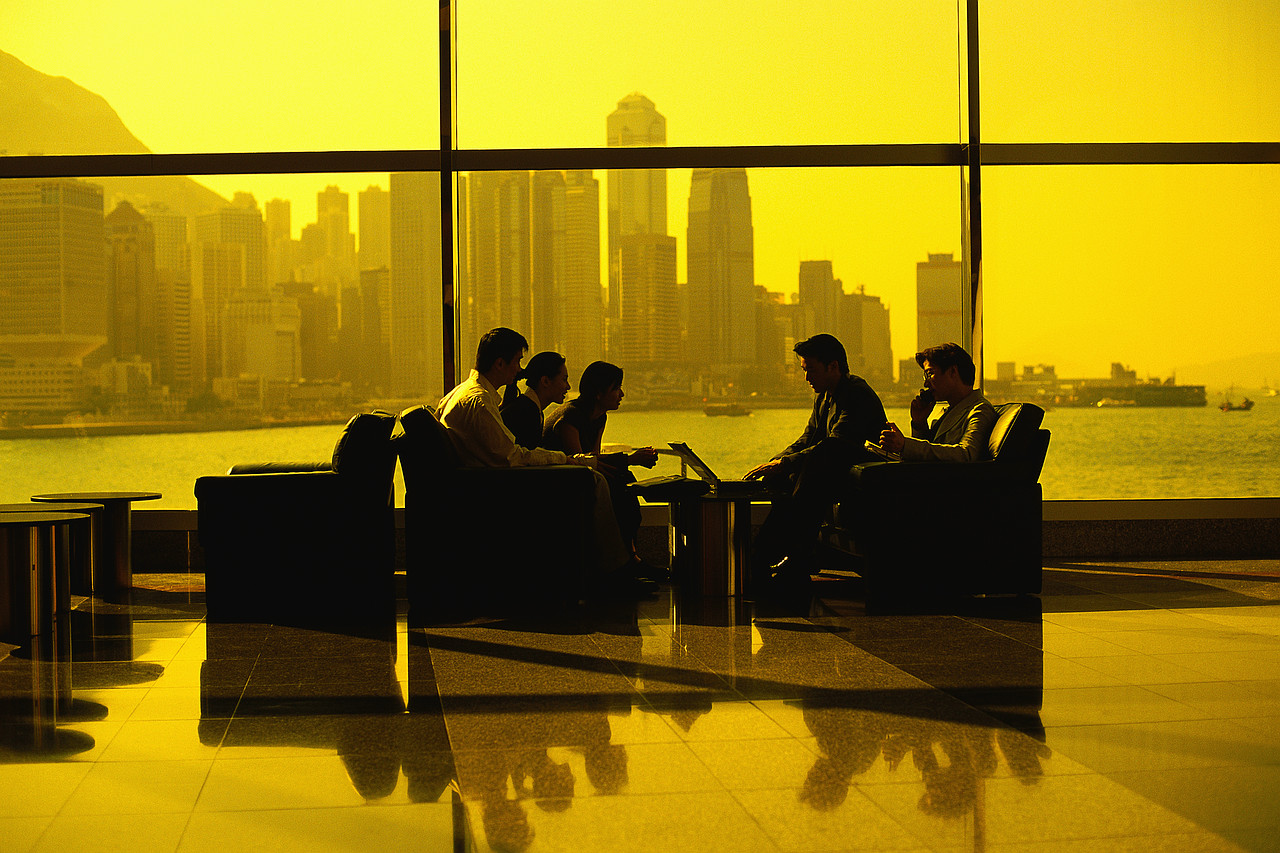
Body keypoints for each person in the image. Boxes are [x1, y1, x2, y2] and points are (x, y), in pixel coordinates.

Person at [437, 328, 651, 596]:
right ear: (500, 363)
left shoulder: (459, 395)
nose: (519, 370)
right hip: (494, 490)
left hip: (482, 484)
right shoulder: (479, 403)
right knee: (593, 480)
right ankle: (612, 571)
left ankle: (616, 565)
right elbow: (515, 456)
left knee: (597, 477)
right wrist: (569, 460)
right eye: (516, 362)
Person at [744, 333, 887, 588]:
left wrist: (787, 464)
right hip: (832, 470)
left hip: (861, 476)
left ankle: (783, 557)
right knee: (787, 475)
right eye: (804, 370)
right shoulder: (824, 395)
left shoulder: (856, 394)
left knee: (811, 468)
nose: (807, 378)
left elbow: (838, 445)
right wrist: (778, 461)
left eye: (810, 370)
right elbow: (809, 437)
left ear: (833, 366)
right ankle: (764, 558)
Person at [543, 361, 660, 577]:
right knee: (619, 488)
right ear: (598, 393)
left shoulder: (599, 417)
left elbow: (594, 457)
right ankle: (619, 566)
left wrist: (628, 463)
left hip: (583, 475)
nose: (621, 394)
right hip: (559, 483)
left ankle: (630, 557)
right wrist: (630, 458)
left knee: (626, 484)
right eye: (616, 388)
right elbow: (580, 463)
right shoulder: (570, 417)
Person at [879, 342, 996, 463]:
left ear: (952, 372)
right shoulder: (946, 412)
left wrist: (905, 445)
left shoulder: (980, 410)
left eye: (930, 373)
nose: (926, 384)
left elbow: (966, 454)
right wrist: (920, 424)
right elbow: (929, 456)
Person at [500, 351, 571, 450]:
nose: (568, 386)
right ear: (545, 381)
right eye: (564, 379)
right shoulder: (527, 413)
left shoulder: (529, 409)